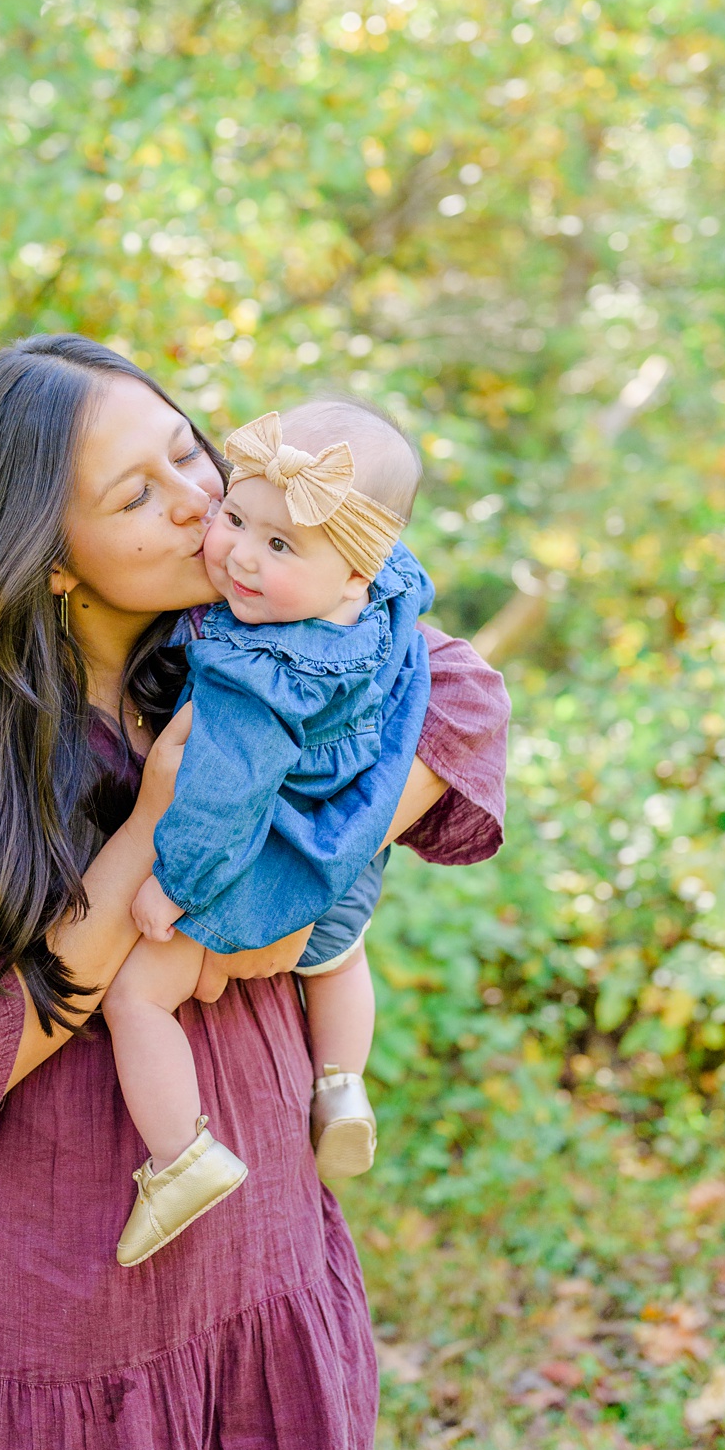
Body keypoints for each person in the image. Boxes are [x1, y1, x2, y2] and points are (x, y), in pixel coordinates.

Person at [0, 334, 508, 1450]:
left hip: (252, 1233)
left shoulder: (257, 627)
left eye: (187, 452)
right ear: (51, 557)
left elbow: (458, 697)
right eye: (137, 496)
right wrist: (163, 816)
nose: (199, 498)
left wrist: (286, 879)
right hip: (53, 1276)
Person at [107, 403, 434, 1267]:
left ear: (350, 572)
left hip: (255, 866)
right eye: (239, 520)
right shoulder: (389, 598)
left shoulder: (252, 672)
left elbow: (221, 798)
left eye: (280, 547)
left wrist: (171, 885)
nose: (242, 555)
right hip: (348, 853)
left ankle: (181, 1156)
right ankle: (342, 1085)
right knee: (342, 956)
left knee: (136, 998)